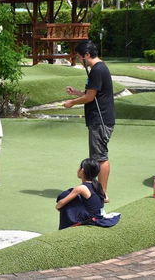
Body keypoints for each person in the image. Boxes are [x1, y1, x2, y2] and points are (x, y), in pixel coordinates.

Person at [63, 40, 115, 202]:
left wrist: (72, 103)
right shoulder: (98, 69)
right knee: (97, 156)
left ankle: (103, 193)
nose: (79, 60)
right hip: (99, 119)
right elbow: (93, 94)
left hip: (100, 120)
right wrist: (77, 93)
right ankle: (100, 191)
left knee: (100, 157)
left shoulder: (97, 70)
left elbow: (90, 97)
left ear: (87, 55)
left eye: (79, 57)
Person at [56, 158, 119, 230]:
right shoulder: (98, 184)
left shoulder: (81, 188)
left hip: (91, 219)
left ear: (82, 170)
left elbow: (59, 205)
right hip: (98, 216)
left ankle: (65, 227)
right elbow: (106, 199)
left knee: (65, 195)